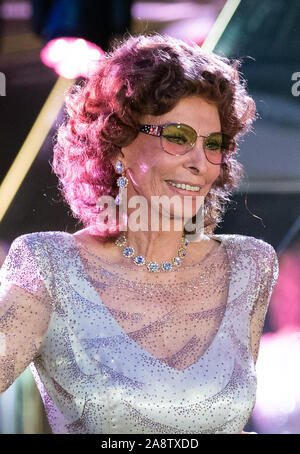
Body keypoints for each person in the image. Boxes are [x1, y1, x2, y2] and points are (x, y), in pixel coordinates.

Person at [0, 33, 279, 434]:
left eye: (214, 144)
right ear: (118, 143)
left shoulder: (249, 265)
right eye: (178, 138)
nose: (200, 163)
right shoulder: (49, 267)